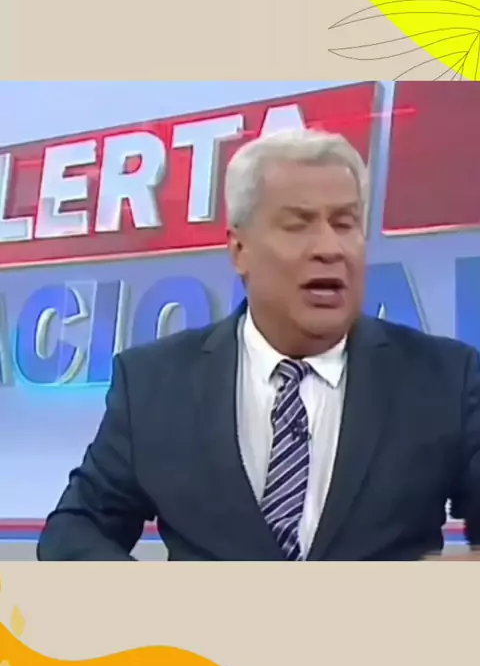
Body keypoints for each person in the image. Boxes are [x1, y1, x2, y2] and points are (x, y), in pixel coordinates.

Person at [37, 128, 480, 562]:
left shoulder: (446, 378)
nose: (331, 248)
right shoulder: (152, 383)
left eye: (345, 224)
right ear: (240, 250)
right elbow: (74, 531)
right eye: (298, 225)